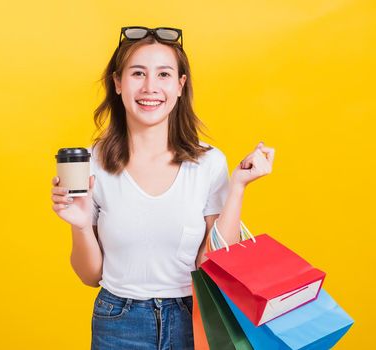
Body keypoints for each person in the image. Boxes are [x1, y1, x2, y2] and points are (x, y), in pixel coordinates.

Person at [50, 26, 275, 350]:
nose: (150, 87)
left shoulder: (209, 163)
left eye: (164, 74)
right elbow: (90, 276)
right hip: (118, 321)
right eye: (138, 73)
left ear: (181, 85)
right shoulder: (94, 162)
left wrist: (237, 187)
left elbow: (211, 268)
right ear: (117, 83)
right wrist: (82, 226)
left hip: (193, 319)